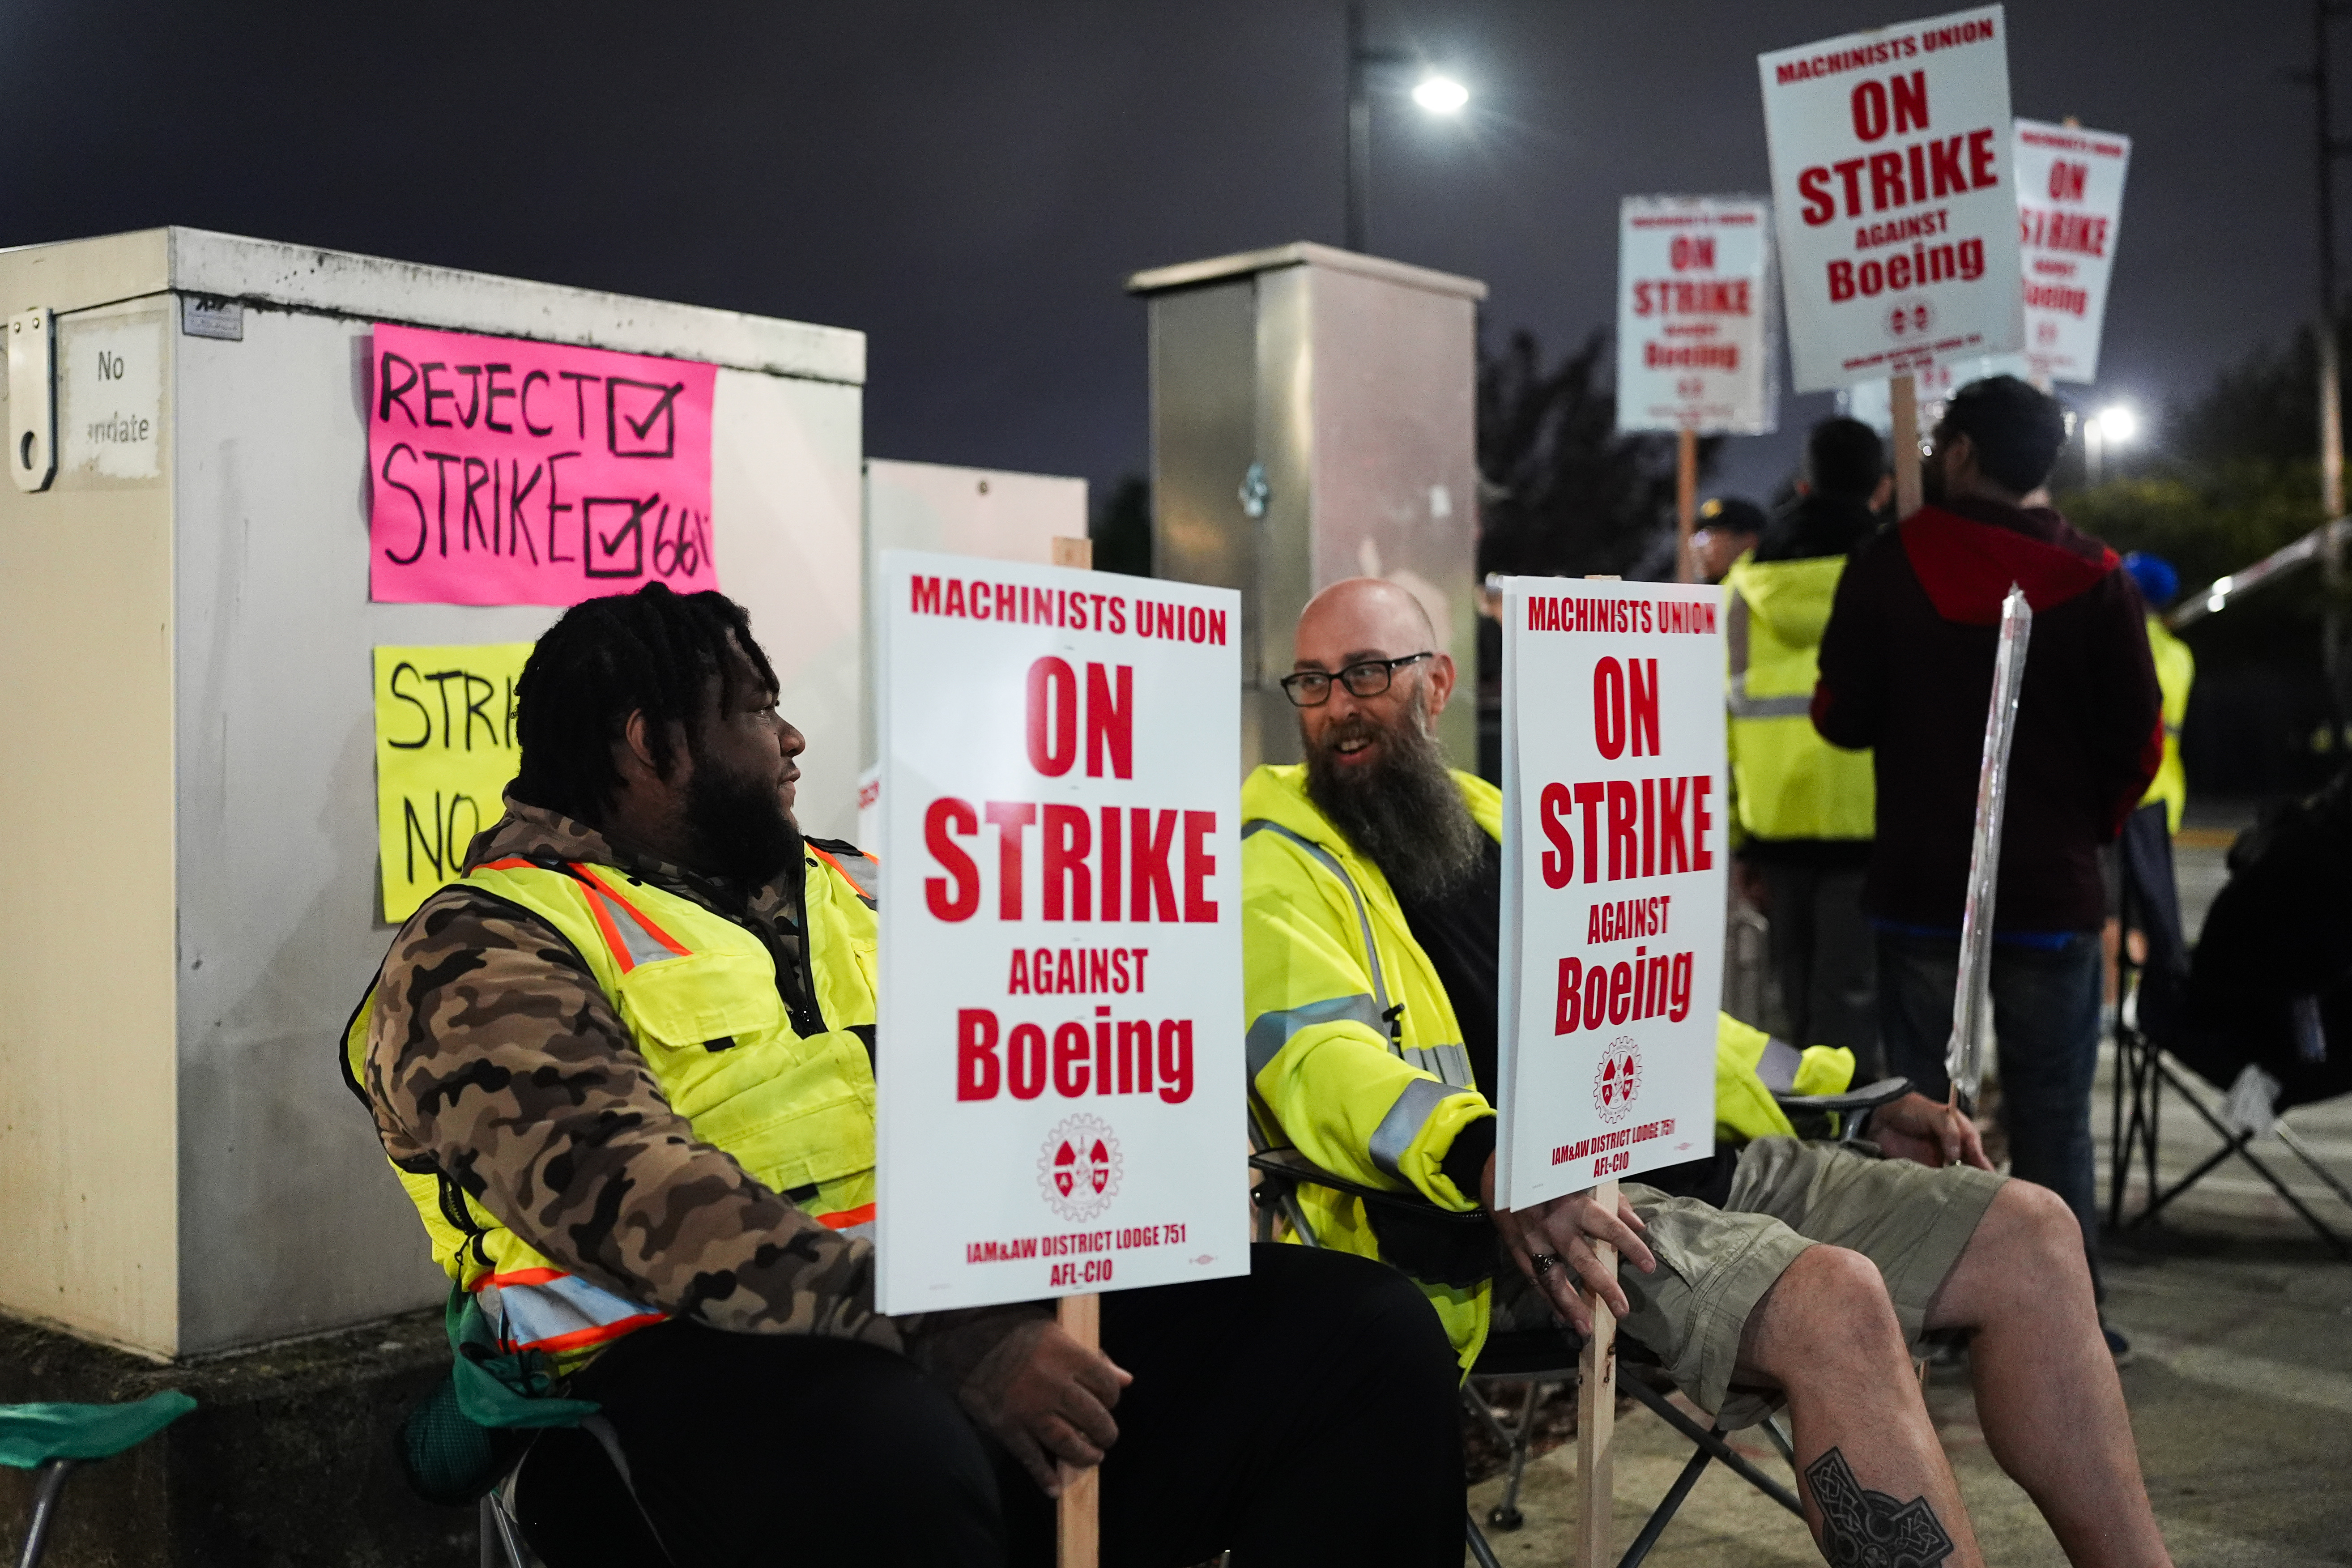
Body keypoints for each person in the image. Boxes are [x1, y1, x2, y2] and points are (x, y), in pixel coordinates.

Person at [344, 584, 1467, 1568]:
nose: (789, 739)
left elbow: (1052, 1039)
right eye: (751, 709)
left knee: (1359, 1335)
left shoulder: (868, 886)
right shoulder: (483, 946)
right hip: (666, 1378)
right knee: (895, 1448)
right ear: (649, 744)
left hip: (959, 1320)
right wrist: (946, 1331)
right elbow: (625, 1190)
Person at [1244, 575, 2174, 1568]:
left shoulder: (1496, 818)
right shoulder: (1275, 864)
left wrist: (1850, 1097)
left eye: (1368, 674)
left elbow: (1653, 1010)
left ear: (1438, 685)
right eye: (1314, 681)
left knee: (2031, 1230)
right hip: (1521, 1226)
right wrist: (1487, 1153)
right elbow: (1321, 1063)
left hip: (1679, 1161)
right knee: (1836, 1301)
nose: (1340, 705)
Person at [1815, 375, 2163, 1314]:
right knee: (2055, 1118)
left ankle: (1928, 1315)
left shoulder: (1888, 565)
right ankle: (2067, 1320)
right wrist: (2082, 830)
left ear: (1963, 452)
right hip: (2051, 893)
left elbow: (1839, 716)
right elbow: (2140, 738)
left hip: (1922, 887)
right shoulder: (2098, 576)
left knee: (1922, 1116)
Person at [1726, 418, 1890, 1074]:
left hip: (1774, 819)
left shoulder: (1743, 583)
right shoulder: (1890, 564)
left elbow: (1724, 711)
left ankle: (1812, 1147)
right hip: (1872, 818)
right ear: (1880, 487)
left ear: (1804, 481)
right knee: (1854, 1002)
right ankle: (1851, 1157)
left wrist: (1740, 836)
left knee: (1792, 1004)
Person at [1688, 495, 1765, 584]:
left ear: (1749, 542)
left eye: (1708, 534)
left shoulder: (1765, 592)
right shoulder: (1695, 595)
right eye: (1697, 534)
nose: (1696, 543)